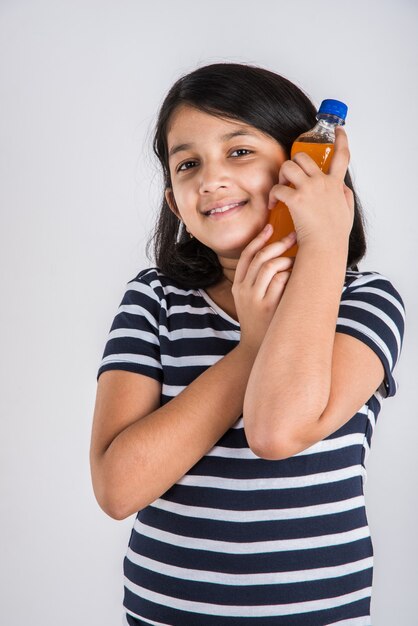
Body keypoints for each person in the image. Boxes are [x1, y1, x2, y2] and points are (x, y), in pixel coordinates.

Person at [90, 63, 405, 625]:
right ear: (173, 202)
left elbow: (277, 431)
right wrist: (250, 346)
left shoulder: (364, 302)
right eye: (188, 164)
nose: (210, 178)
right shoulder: (155, 299)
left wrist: (326, 241)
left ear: (305, 165)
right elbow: (118, 489)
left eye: (239, 152)